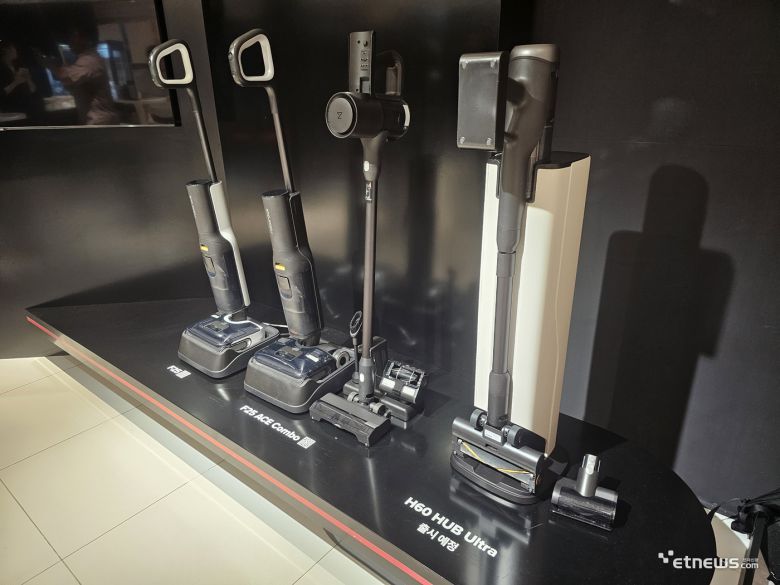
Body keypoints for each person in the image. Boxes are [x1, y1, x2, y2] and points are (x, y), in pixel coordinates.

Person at [50, 27, 119, 125]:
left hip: (100, 121)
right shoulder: (87, 58)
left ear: (86, 40)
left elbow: (66, 77)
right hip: (98, 120)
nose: (70, 42)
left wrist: (49, 64)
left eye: (74, 37)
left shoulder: (89, 60)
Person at [0, 40, 39, 118]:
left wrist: (28, 79)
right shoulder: (2, 69)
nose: (16, 50)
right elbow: (2, 93)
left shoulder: (18, 66)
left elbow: (33, 90)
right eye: (13, 48)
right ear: (6, 50)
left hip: (28, 107)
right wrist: (16, 82)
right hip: (11, 111)